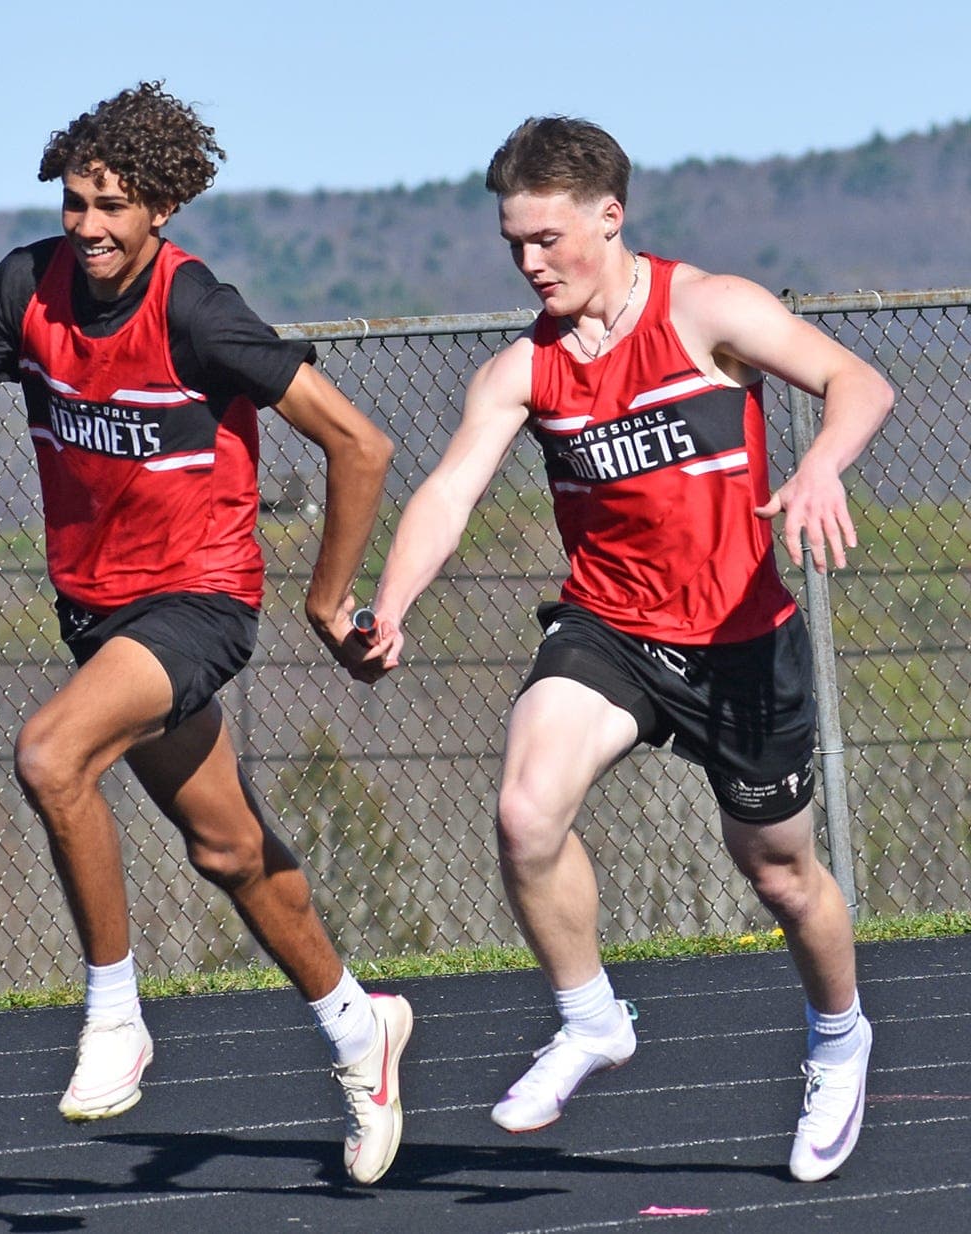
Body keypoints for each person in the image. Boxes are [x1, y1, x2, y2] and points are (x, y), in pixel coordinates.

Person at [0, 81, 411, 1187]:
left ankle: (115, 1009)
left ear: (162, 208)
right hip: (97, 609)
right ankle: (364, 1032)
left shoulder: (198, 311)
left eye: (113, 206)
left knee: (51, 754)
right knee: (230, 849)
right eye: (75, 202)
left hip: (201, 599)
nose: (90, 227)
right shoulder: (26, 285)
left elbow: (362, 444)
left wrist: (326, 599)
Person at [362, 116, 893, 1182]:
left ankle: (840, 1040)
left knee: (782, 876)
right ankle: (591, 1015)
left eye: (548, 239)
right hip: (610, 628)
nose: (529, 262)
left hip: (742, 641)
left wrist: (826, 462)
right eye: (514, 242)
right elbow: (451, 490)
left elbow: (860, 385)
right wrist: (390, 604)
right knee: (526, 809)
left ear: (610, 217)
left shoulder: (710, 310)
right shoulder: (524, 369)